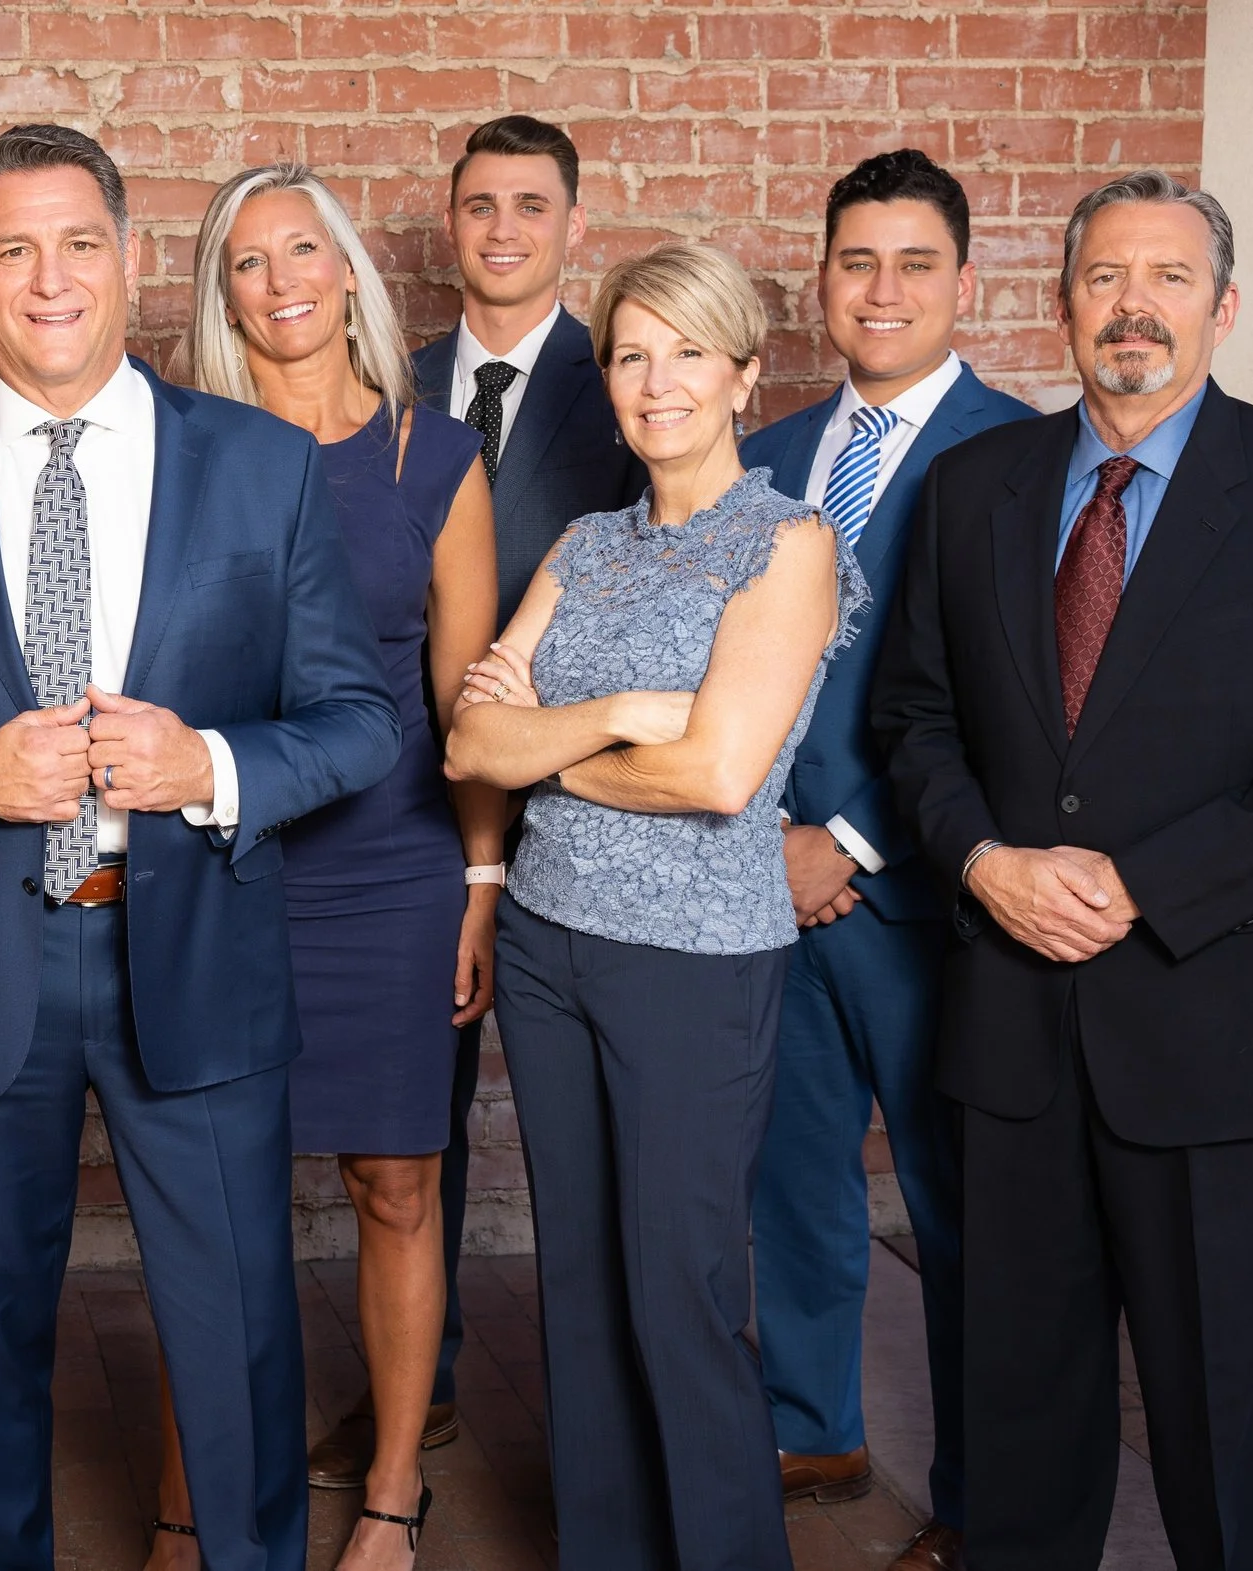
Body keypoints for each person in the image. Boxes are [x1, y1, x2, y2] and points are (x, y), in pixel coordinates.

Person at [0, 124, 401, 1571]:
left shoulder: (261, 467)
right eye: (12, 249)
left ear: (129, 259)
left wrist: (210, 764)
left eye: (77, 244)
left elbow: (360, 719)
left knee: (239, 1336)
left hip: (200, 956)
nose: (48, 279)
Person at [873, 171, 1253, 1571]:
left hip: (1214, 1027)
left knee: (1223, 1423)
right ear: (1060, 304)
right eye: (1105, 277)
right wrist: (985, 862)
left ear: (1224, 309)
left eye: (1170, 278)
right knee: (1018, 1423)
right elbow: (914, 718)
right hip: (1016, 1027)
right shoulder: (974, 488)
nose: (1135, 306)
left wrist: (1142, 886)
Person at [446, 240, 867, 1571]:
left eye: (688, 351)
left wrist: (549, 747)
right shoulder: (585, 544)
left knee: (682, 1288)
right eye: (631, 354)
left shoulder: (788, 544)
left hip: (694, 961)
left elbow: (721, 776)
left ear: (744, 373)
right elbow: (469, 744)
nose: (656, 380)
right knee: (579, 1281)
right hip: (547, 946)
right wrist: (627, 712)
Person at [143, 162, 501, 1571]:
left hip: (396, 869)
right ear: (220, 294)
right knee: (205, 1199)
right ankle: (189, 1502)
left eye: (303, 249)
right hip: (223, 864)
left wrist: (481, 884)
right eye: (247, 260)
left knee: (396, 1187)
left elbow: (468, 702)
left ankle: (394, 1494)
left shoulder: (435, 458)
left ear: (348, 269)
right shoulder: (183, 450)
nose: (280, 279)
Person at [742, 149, 1034, 1571]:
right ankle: (814, 1424)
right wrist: (766, 840)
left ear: (964, 283)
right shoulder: (765, 452)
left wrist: (847, 839)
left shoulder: (1024, 454)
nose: (883, 289)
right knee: (790, 1179)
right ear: (822, 279)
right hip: (766, 888)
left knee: (961, 1205)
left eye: (915, 263)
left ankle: (982, 1498)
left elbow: (1011, 704)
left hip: (924, 899)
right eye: (857, 260)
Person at [358, 115, 642, 1482]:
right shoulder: (386, 381)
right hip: (415, 812)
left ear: (574, 226)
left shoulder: (635, 376)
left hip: (600, 807)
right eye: (481, 204)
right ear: (450, 223)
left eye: (534, 205)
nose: (505, 228)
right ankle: (422, 1389)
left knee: (596, 1133)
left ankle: (613, 1421)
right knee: (416, 1118)